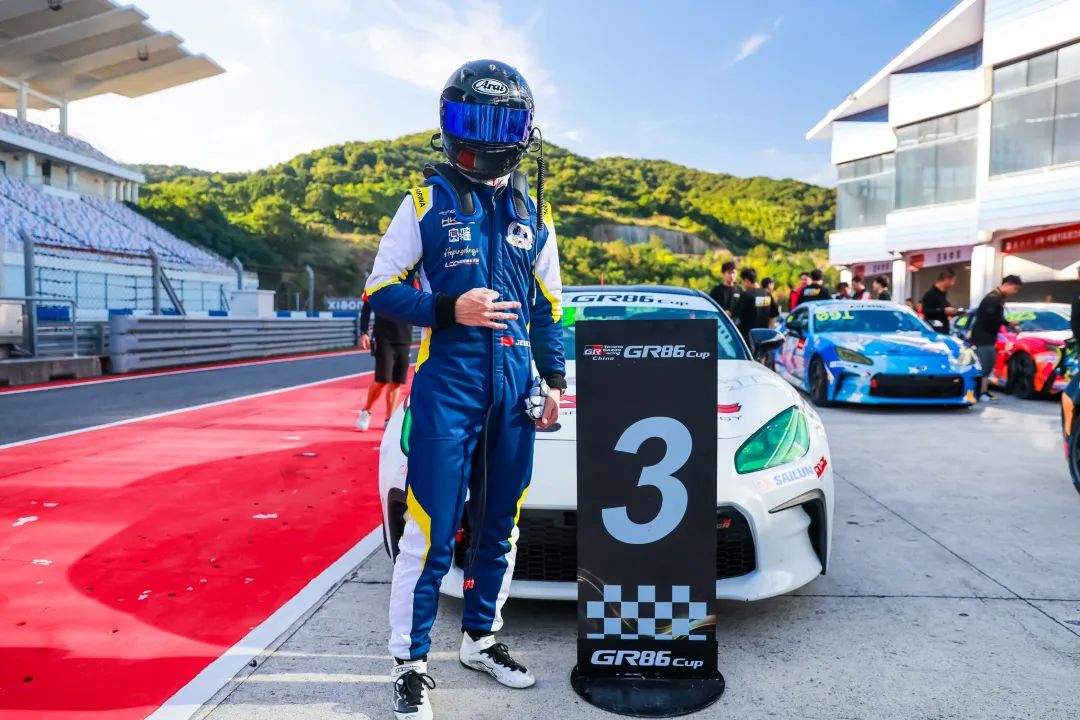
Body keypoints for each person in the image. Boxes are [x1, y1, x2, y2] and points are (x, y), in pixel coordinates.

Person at [365, 59, 565, 720]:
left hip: (515, 389)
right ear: (448, 123)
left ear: (523, 132)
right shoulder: (425, 200)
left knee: (501, 527)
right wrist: (450, 309)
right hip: (446, 387)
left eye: (497, 123)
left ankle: (481, 640)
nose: (481, 136)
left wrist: (554, 381)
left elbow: (549, 310)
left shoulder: (535, 212)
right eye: (469, 119)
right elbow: (380, 289)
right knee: (429, 531)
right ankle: (410, 664)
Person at [357, 294, 413, 430]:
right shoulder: (377, 283)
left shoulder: (414, 284)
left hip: (404, 337)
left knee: (396, 381)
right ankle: (366, 411)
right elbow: (366, 308)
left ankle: (389, 419)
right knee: (382, 380)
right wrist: (364, 332)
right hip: (383, 338)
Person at [971, 275, 1024, 402]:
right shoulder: (992, 299)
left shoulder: (997, 298)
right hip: (983, 337)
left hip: (988, 337)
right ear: (1008, 284)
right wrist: (1008, 323)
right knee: (985, 364)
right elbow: (991, 318)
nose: (1014, 292)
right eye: (1015, 289)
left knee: (988, 364)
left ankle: (984, 391)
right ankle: (980, 392)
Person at [734, 267, 775, 347]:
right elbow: (773, 316)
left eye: (742, 281)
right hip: (764, 339)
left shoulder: (746, 295)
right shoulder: (767, 294)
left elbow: (736, 316)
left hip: (748, 340)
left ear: (746, 280)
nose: (742, 284)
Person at [920, 268, 958, 334]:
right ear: (946, 279)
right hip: (934, 331)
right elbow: (926, 311)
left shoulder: (943, 294)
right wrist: (944, 311)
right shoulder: (930, 294)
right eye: (952, 281)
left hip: (944, 330)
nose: (953, 284)